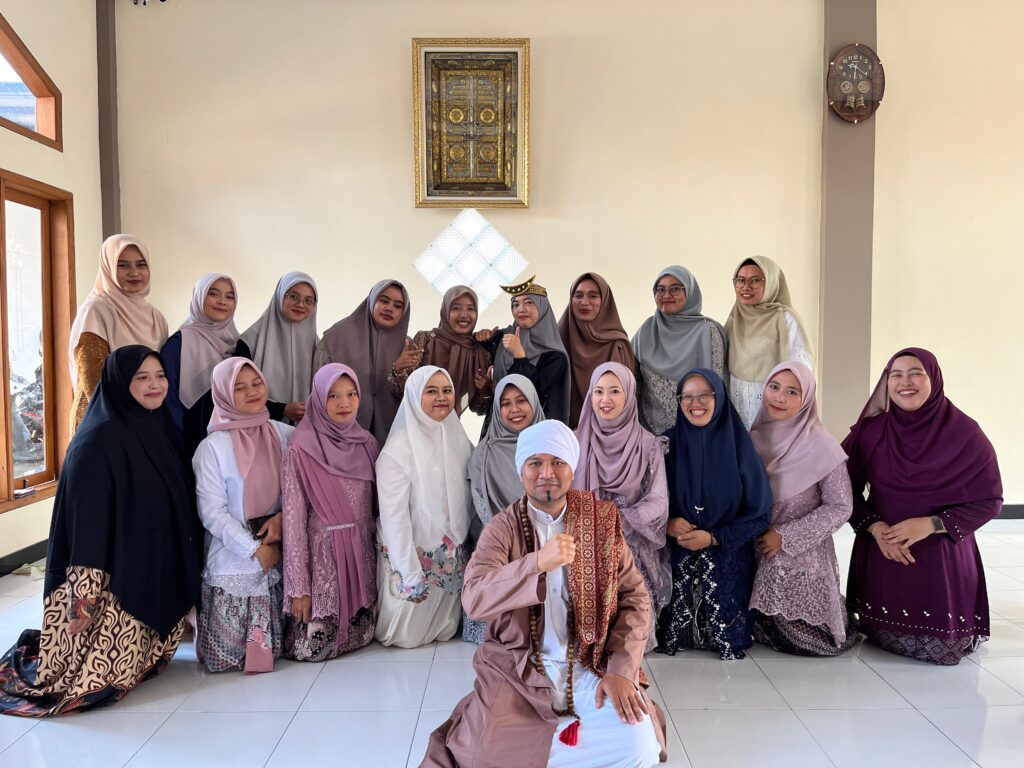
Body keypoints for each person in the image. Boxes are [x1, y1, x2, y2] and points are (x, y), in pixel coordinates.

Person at [422, 420, 666, 768]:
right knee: (481, 756)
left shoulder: (601, 521)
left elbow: (635, 600)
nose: (546, 473)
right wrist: (536, 563)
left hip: (591, 663)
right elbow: (474, 598)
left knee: (639, 745)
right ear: (521, 470)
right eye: (535, 463)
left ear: (572, 469)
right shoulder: (501, 528)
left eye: (557, 462)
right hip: (520, 668)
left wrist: (621, 669)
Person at [0, 346, 201, 716]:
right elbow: (85, 531)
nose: (155, 385)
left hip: (148, 563)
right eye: (142, 377)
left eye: (160, 376)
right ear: (119, 383)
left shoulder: (157, 426)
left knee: (138, 669)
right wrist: (82, 601)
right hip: (109, 582)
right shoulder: (97, 442)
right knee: (94, 685)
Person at [843, 348, 1002, 665]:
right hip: (883, 548)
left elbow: (990, 500)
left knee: (941, 648)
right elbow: (842, 487)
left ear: (934, 379)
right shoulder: (873, 431)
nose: (905, 382)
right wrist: (874, 527)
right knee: (878, 635)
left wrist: (932, 524)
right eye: (896, 375)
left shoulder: (965, 433)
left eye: (916, 373)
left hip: (940, 554)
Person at [657, 369, 771, 660]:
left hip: (727, 557)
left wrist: (714, 537)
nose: (695, 403)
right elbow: (650, 500)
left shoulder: (740, 448)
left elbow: (759, 516)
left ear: (718, 398)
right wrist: (667, 523)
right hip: (677, 553)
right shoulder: (666, 446)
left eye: (704, 395)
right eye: (687, 396)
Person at [193, 358, 294, 672]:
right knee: (225, 661)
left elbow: (301, 490)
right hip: (234, 559)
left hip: (279, 553)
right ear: (223, 394)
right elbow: (212, 512)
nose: (252, 392)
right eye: (239, 387)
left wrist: (283, 519)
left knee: (277, 654)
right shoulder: (213, 447)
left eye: (256, 383)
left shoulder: (284, 435)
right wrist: (254, 550)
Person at [748, 361, 856, 656]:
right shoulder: (750, 439)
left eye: (792, 392)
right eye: (774, 387)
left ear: (806, 399)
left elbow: (840, 506)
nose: (779, 398)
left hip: (801, 551)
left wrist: (785, 536)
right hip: (754, 547)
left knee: (800, 637)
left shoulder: (823, 447)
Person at [282, 364, 380, 660]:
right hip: (322, 562)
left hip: (361, 560)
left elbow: (376, 509)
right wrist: (300, 588)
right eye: (333, 396)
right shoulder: (299, 450)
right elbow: (293, 522)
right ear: (318, 399)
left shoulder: (367, 444)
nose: (344, 403)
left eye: (351, 394)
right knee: (312, 651)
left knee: (363, 637)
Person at [574, 362, 670, 652]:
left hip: (629, 540)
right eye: (598, 391)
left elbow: (659, 500)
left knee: (632, 632)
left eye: (615, 391)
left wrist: (622, 519)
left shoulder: (649, 444)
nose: (605, 399)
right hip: (584, 539)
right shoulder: (575, 442)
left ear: (629, 395)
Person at [375, 366, 473, 648]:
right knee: (407, 636)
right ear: (415, 396)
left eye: (447, 390)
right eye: (431, 391)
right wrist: (409, 573)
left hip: (449, 553)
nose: (441, 397)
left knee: (447, 629)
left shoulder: (456, 436)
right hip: (414, 553)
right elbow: (394, 518)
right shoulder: (398, 449)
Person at [161, 273, 286, 456]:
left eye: (229, 296)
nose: (222, 301)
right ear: (199, 297)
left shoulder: (239, 344)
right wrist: (177, 446)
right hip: (189, 438)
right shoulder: (179, 343)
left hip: (232, 442)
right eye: (213, 294)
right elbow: (168, 399)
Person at [463, 374, 546, 643]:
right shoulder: (483, 454)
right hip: (500, 544)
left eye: (521, 401)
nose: (514, 410)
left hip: (547, 542)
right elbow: (483, 509)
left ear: (534, 402)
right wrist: (514, 540)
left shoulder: (551, 447)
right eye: (506, 404)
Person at [68, 235, 169, 431]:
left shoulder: (156, 317)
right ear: (108, 268)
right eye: (123, 265)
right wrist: (122, 422)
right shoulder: (96, 310)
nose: (134, 273)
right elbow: (93, 379)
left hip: (146, 415)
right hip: (104, 420)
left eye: (141, 265)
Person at [632, 266, 727, 435]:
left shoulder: (707, 331)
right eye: (660, 289)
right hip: (651, 433)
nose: (666, 295)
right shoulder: (646, 330)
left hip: (697, 431)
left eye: (675, 289)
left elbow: (718, 386)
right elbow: (635, 383)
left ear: (689, 292)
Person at [317, 279, 411, 446]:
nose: (389, 308)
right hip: (338, 434)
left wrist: (398, 371)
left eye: (398, 306)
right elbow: (319, 388)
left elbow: (412, 398)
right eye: (384, 301)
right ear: (372, 300)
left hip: (391, 438)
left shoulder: (407, 346)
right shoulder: (336, 337)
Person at [724, 256, 812, 429]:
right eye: (740, 280)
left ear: (771, 283)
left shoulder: (784, 318)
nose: (746, 287)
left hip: (774, 408)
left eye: (755, 280)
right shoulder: (735, 318)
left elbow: (801, 370)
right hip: (737, 408)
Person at [389, 285, 492, 417]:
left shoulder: (478, 352)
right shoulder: (426, 340)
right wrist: (397, 370)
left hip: (449, 426)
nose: (464, 314)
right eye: (456, 308)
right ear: (445, 310)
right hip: (414, 422)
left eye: (471, 309)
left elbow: (479, 409)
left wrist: (485, 389)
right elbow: (401, 392)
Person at [486, 276, 571, 425]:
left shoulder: (556, 357)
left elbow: (533, 391)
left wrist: (520, 355)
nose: (521, 309)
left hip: (537, 432)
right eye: (515, 304)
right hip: (498, 428)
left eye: (529, 302)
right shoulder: (502, 339)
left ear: (542, 307)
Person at [557, 273, 636, 428]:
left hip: (609, 432)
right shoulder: (557, 339)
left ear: (605, 301)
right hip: (565, 433)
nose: (584, 302)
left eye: (593, 296)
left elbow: (626, 398)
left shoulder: (618, 344)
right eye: (578, 295)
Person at [241, 272, 318, 423]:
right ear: (280, 296)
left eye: (308, 300)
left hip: (305, 430)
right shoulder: (249, 342)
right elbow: (238, 391)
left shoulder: (318, 346)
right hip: (258, 426)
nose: (301, 304)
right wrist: (281, 409)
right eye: (293, 296)